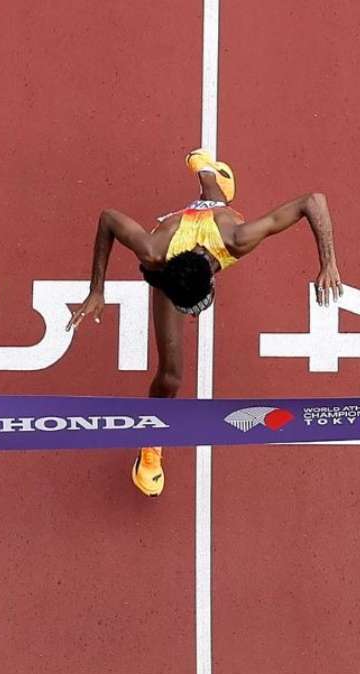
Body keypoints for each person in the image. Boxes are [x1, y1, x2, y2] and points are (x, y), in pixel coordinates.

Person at [67, 149, 342, 496]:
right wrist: (96, 289)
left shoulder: (236, 239)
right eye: (192, 310)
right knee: (171, 374)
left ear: (213, 277)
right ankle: (151, 443)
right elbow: (108, 218)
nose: (194, 316)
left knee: (215, 206)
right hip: (174, 248)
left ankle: (206, 171)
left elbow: (312, 201)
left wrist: (328, 263)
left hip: (214, 226)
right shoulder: (154, 253)